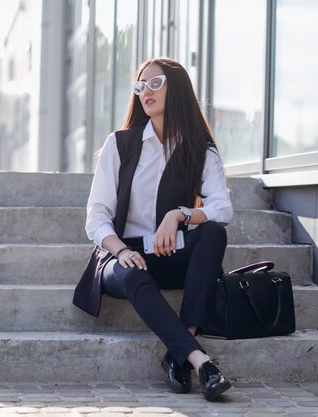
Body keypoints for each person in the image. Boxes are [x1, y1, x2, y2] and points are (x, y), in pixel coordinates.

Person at [73, 58, 233, 401]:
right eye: (140, 85)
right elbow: (96, 216)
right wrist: (121, 250)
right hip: (122, 254)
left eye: (155, 83)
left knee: (214, 233)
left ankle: (180, 349)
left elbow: (222, 208)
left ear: (176, 89)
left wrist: (181, 214)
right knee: (132, 273)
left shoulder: (199, 150)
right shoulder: (119, 144)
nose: (145, 91)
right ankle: (199, 360)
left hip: (169, 250)